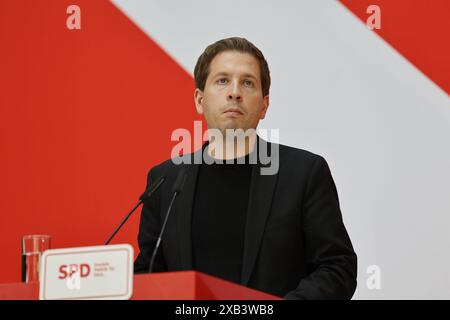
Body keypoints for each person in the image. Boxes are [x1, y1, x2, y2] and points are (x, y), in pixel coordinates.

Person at [134, 37, 357, 300]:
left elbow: (337, 267)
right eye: (222, 80)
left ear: (264, 105)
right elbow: (149, 274)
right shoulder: (166, 180)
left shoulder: (304, 173)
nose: (235, 92)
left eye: (247, 83)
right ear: (199, 99)